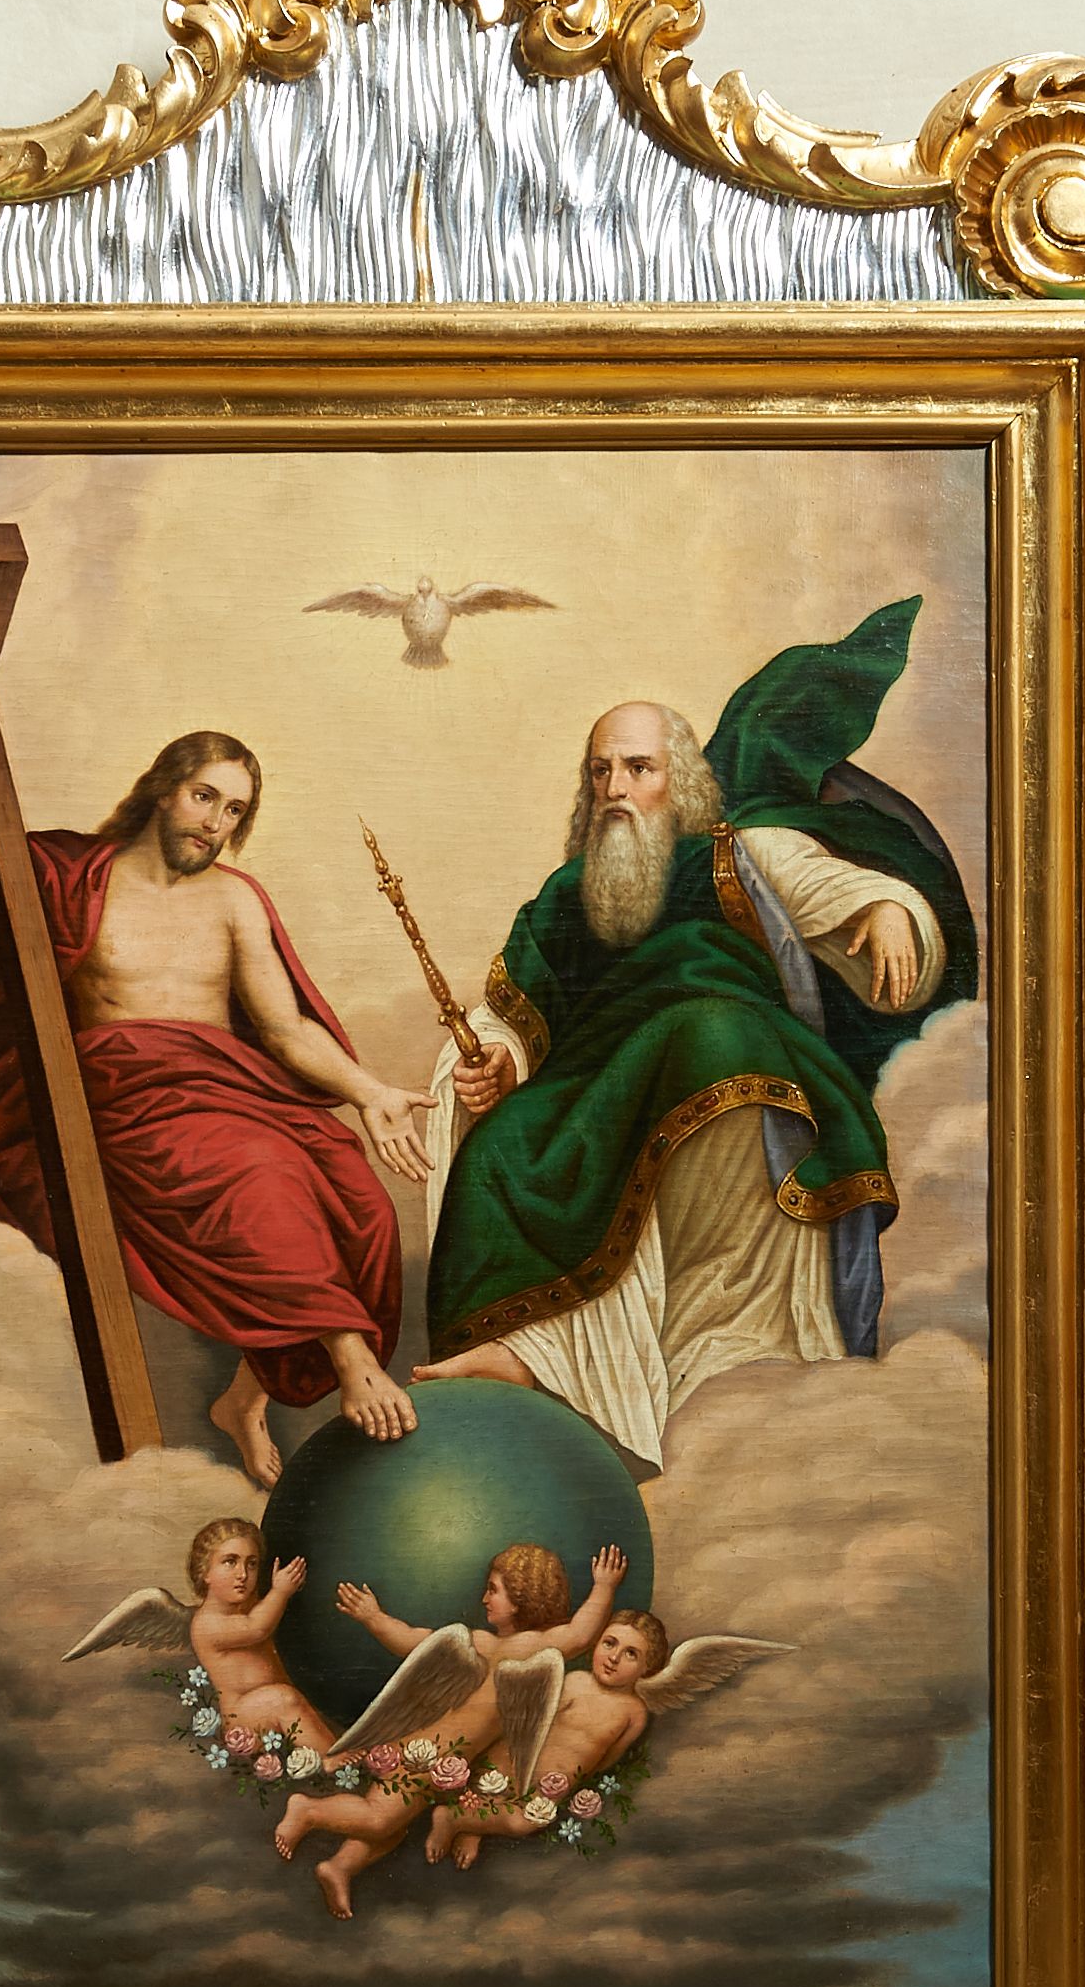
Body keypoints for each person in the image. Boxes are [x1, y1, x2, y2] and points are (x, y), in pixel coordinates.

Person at [416, 604, 978, 1469]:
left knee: (706, 1035)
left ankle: (725, 1375)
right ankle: (533, 1360)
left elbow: (830, 886)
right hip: (591, 1092)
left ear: (678, 781)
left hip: (730, 1059)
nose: (614, 787)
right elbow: (511, 1014)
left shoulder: (734, 851)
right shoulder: (567, 897)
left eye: (637, 767)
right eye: (600, 770)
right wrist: (496, 1062)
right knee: (499, 1150)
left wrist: (888, 910)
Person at [0, 702, 430, 1486]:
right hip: (128, 1099)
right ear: (164, 790)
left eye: (234, 810)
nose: (216, 823)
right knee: (261, 1180)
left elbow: (283, 1030)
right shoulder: (76, 878)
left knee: (361, 1202)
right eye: (205, 796)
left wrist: (368, 1090)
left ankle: (244, 1398)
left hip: (228, 1092)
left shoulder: (236, 899)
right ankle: (352, 1360)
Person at [272, 1540, 629, 1917]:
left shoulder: (517, 1646)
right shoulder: (487, 1644)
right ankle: (308, 1811)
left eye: (493, 1590)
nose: (484, 1598)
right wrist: (604, 1589)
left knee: (393, 1826)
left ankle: (339, 1867)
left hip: (442, 1762)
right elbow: (414, 1643)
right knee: (378, 1817)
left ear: (521, 1598)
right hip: (424, 1754)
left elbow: (579, 1635)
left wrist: (375, 1618)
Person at [428, 1609, 663, 1866]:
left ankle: (464, 1822)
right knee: (496, 1792)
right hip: (519, 1766)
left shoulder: (635, 1713)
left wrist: (574, 1779)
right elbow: (532, 1726)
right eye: (609, 1643)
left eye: (631, 1654)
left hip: (552, 1788)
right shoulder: (576, 1682)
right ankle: (453, 1820)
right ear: (597, 1642)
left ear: (647, 1667)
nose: (614, 1658)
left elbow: (609, 1757)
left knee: (523, 1822)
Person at [182, 1518, 332, 1754]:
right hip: (244, 1720)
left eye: (252, 1564)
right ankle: (329, 1757)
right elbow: (256, 1628)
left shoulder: (252, 1607)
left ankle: (334, 1749)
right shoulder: (206, 1623)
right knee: (282, 1698)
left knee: (293, 1702)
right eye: (230, 1562)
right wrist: (280, 1592)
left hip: (271, 1713)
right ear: (205, 1571)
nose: (243, 1574)